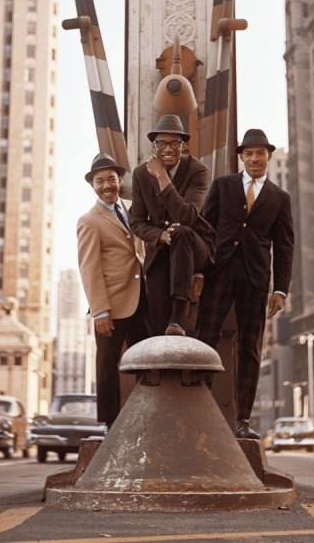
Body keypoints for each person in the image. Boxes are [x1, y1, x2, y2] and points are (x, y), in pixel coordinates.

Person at [198, 128, 294, 439]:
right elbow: (204, 228)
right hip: (219, 272)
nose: (255, 158)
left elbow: (284, 246)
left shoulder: (280, 198)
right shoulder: (223, 185)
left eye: (260, 153)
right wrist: (199, 271)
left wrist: (280, 289)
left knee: (250, 348)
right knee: (205, 338)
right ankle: (199, 408)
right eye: (249, 153)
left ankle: (243, 421)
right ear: (241, 157)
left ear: (268, 156)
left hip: (256, 279)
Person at [77, 153, 149, 428]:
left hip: (143, 299)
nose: (106, 185)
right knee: (107, 366)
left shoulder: (134, 209)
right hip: (111, 305)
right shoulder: (89, 221)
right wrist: (100, 311)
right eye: (99, 181)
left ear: (119, 180)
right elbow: (89, 268)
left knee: (146, 361)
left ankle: (145, 420)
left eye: (111, 179)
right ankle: (107, 425)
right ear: (92, 186)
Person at [129, 114, 215, 336]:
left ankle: (179, 315)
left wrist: (161, 176)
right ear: (154, 146)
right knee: (158, 323)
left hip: (196, 246)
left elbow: (187, 216)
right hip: (161, 248)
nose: (168, 149)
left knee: (182, 231)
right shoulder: (140, 174)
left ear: (183, 145)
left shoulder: (198, 171)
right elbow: (136, 222)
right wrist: (160, 236)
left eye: (174, 143)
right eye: (161, 143)